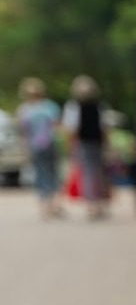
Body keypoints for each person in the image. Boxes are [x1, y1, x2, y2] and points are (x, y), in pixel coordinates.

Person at [16, 78, 64, 218]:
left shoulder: (25, 109)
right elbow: (57, 126)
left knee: (41, 174)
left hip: (37, 145)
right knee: (52, 173)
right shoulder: (49, 106)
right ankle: (52, 204)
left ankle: (45, 206)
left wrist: (25, 148)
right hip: (50, 143)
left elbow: (24, 132)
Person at [63, 75, 109, 219]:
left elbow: (72, 129)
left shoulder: (74, 107)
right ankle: (98, 204)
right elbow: (104, 128)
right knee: (98, 173)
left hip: (84, 143)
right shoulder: (99, 106)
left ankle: (92, 205)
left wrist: (71, 147)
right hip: (96, 143)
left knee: (88, 174)